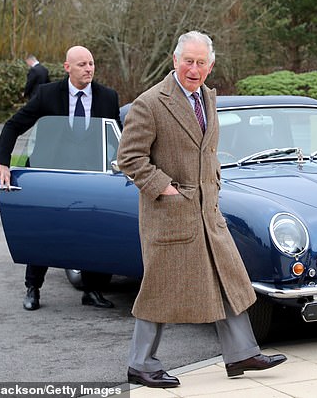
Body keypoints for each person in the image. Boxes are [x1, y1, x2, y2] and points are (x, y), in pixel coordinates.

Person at [117, 31, 286, 389]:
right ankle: (141, 364)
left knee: (228, 280)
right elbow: (129, 158)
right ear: (174, 60)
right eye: (188, 61)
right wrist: (165, 188)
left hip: (209, 213)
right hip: (170, 217)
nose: (194, 69)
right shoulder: (149, 103)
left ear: (211, 65)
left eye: (201, 62)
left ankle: (241, 352)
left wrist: (215, 182)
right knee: (159, 291)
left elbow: (206, 152)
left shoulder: (208, 98)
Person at [0, 46, 121, 311]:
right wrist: (2, 163)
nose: (89, 69)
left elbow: (118, 137)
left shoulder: (108, 97)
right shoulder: (47, 94)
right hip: (49, 177)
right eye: (82, 65)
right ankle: (33, 288)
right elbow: (13, 125)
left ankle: (92, 290)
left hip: (90, 177)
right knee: (45, 231)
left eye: (91, 63)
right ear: (67, 68)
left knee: (91, 231)